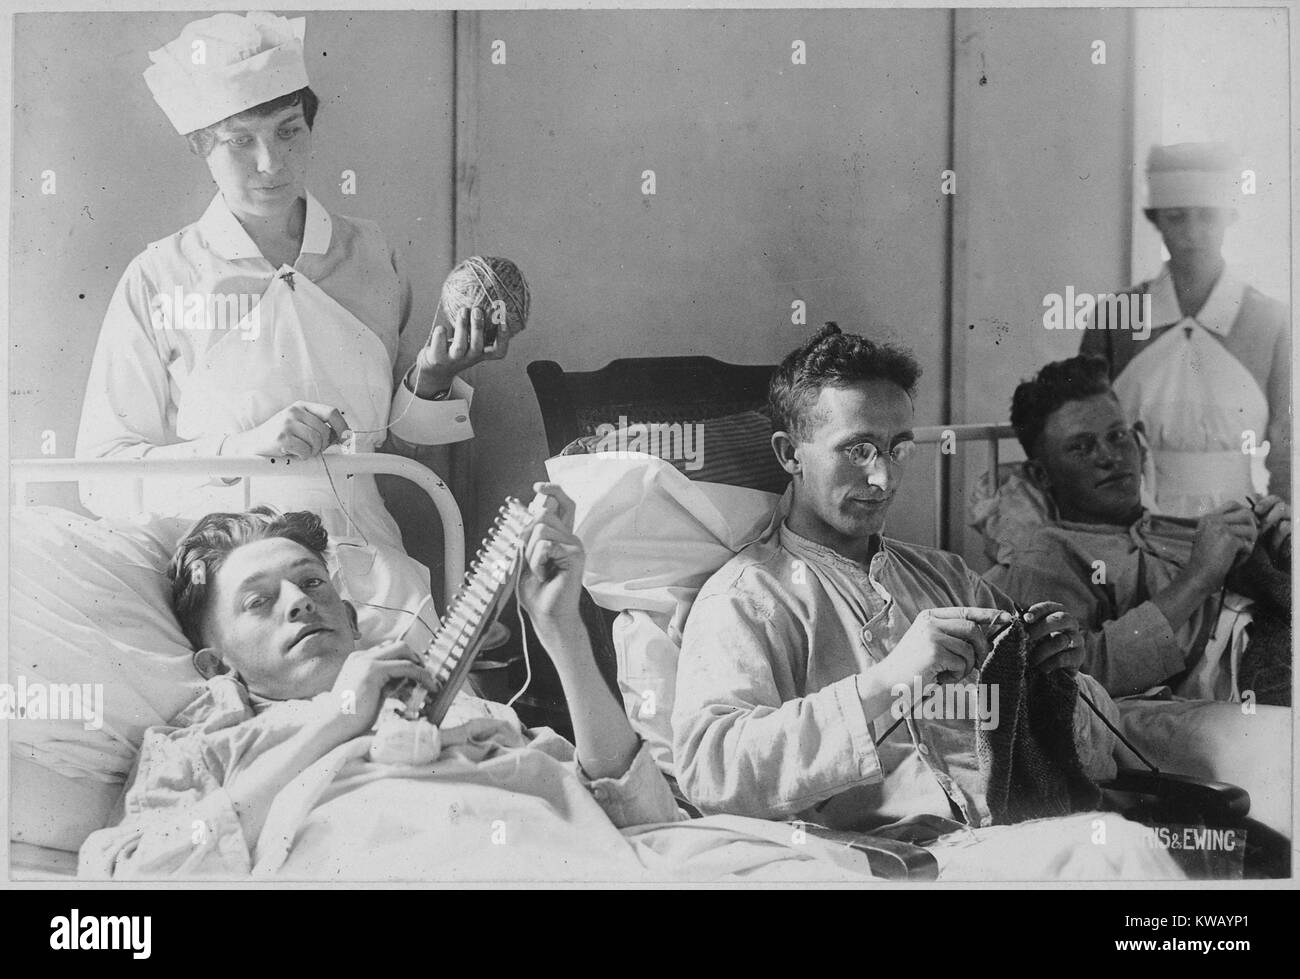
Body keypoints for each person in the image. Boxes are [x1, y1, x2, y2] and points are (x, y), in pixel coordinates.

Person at [78, 487, 881, 881]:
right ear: (219, 663)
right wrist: (335, 724)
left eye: (313, 582)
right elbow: (133, 883)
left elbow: (641, 811)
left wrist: (561, 628)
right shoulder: (205, 738)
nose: (299, 601)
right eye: (260, 602)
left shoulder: (463, 705)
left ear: (355, 615)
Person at [670, 325, 1182, 879]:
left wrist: (1057, 677)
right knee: (1116, 855)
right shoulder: (747, 597)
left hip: (1010, 831)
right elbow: (712, 772)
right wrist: (886, 681)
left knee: (1125, 848)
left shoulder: (946, 576)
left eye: (898, 449)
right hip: (888, 862)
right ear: (789, 454)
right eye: (857, 449)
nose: (883, 476)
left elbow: (1072, 739)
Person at [75, 12, 514, 637]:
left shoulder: (371, 255)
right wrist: (240, 449)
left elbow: (387, 444)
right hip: (239, 581)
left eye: (289, 131)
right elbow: (102, 477)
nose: (270, 163)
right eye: (238, 140)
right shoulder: (161, 277)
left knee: (424, 717)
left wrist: (435, 378)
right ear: (199, 143)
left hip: (371, 570)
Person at [988, 355, 1290, 703]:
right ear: (1042, 475)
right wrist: (1198, 578)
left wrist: (1280, 559)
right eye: (1081, 447)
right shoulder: (1049, 552)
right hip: (1238, 687)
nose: (1110, 457)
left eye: (1117, 436)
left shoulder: (1182, 530)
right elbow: (1069, 675)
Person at [1080, 141, 1291, 515]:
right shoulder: (1115, 316)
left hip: (1239, 521)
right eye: (1177, 217)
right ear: (1156, 219)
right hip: (1131, 519)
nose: (1193, 233)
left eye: (1208, 216)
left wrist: (1285, 522)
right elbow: (1083, 426)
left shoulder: (1271, 320)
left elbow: (1288, 444)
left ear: (1230, 216)